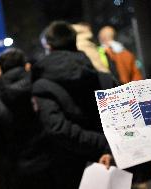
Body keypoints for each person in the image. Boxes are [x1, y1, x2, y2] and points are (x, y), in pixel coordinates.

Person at [32, 21, 112, 189]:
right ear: (75, 41)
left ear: (49, 46)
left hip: (67, 167)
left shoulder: (41, 85)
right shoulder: (102, 78)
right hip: (105, 161)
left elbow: (58, 128)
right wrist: (106, 144)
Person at [0, 48, 37, 189]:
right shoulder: (40, 91)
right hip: (45, 167)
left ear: (1, 70)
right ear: (25, 66)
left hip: (15, 172)